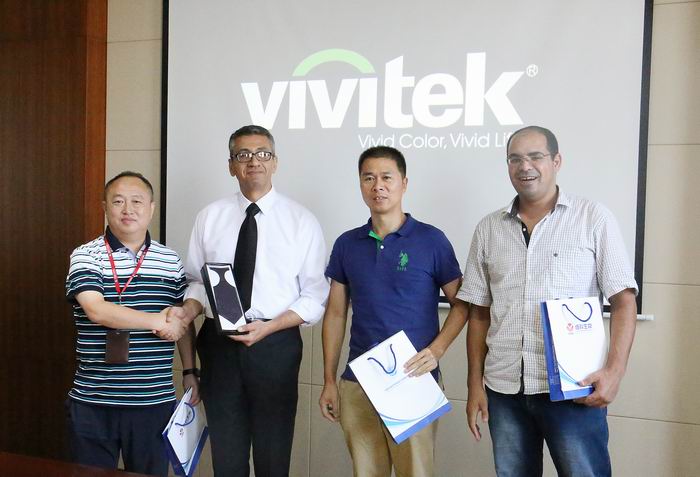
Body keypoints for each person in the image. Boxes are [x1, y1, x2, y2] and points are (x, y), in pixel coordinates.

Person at [460, 126, 638, 477]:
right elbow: (479, 313)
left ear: (556, 161)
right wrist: (473, 384)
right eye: (515, 159)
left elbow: (623, 301)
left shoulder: (593, 218)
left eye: (535, 157)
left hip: (575, 389)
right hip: (504, 389)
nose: (524, 166)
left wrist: (615, 372)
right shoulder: (489, 228)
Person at [171, 125, 329, 477]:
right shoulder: (210, 216)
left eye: (262, 154)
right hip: (219, 344)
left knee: (273, 456)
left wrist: (269, 327)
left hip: (275, 344)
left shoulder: (301, 221)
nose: (253, 161)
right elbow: (196, 282)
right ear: (231, 165)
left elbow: (315, 295)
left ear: (275, 162)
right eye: (243, 155)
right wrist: (187, 311)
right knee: (227, 457)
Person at [319, 146, 469, 477]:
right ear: (360, 184)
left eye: (387, 177)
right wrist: (329, 380)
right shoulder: (347, 244)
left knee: (415, 471)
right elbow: (336, 314)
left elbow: (462, 305)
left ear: (404, 183)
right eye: (368, 178)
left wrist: (437, 351)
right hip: (359, 381)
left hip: (413, 379)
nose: (378, 186)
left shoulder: (432, 240)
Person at [65, 171, 198, 476]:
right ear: (105, 207)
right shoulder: (86, 255)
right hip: (94, 402)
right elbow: (96, 310)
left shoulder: (170, 260)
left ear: (151, 208)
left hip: (153, 402)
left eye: (137, 201)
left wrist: (190, 371)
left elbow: (182, 322)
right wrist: (158, 320)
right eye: (118, 201)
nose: (128, 209)